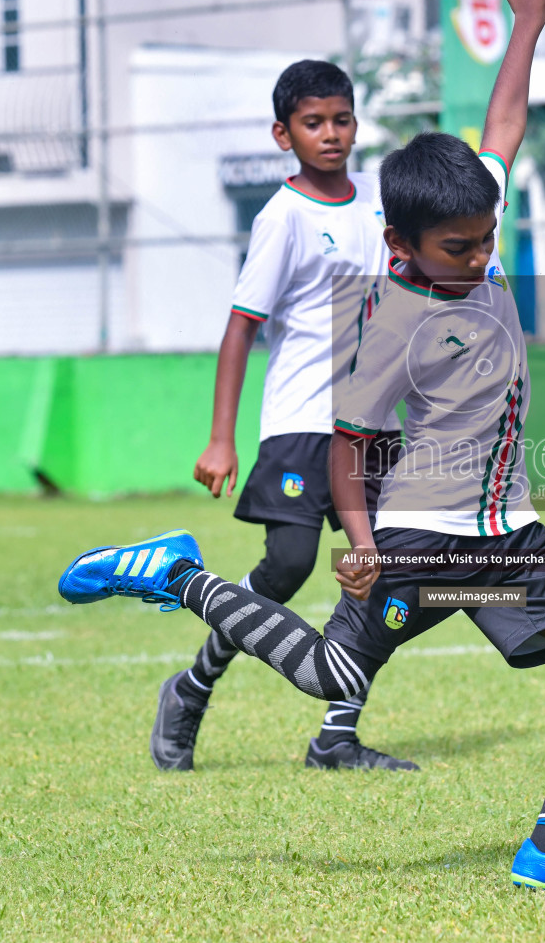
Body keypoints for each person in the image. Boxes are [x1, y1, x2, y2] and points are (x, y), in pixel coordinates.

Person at [59, 0, 545, 891]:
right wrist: (367, 543)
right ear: (402, 247)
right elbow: (350, 447)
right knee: (335, 676)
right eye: (458, 250)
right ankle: (176, 577)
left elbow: (504, 124)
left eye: (486, 241)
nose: (478, 259)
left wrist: (529, 22)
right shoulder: (386, 326)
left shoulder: (466, 219)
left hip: (512, 533)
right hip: (424, 536)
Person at [154, 59, 414, 773]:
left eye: (341, 120)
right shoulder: (283, 217)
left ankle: (337, 734)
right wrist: (220, 438)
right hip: (300, 421)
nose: (330, 135)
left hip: (373, 426)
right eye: (312, 123)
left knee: (385, 572)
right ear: (283, 134)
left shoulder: (382, 205)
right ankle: (192, 687)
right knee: (290, 563)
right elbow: (240, 326)